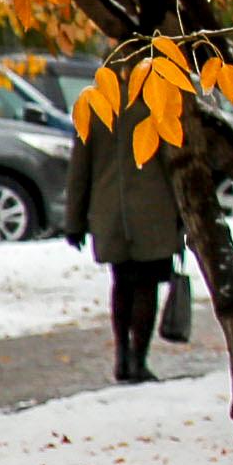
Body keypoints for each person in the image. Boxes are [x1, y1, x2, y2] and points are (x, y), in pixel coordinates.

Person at [61, 104, 186, 384]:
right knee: (146, 286)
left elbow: (79, 169)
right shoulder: (155, 103)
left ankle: (122, 355)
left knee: (121, 282)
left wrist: (74, 221)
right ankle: (138, 359)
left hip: (109, 213)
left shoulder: (94, 107)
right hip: (153, 211)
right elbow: (173, 164)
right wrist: (184, 214)